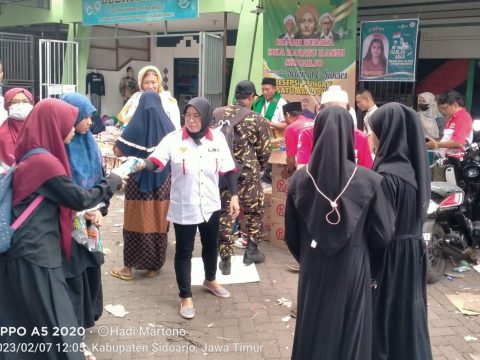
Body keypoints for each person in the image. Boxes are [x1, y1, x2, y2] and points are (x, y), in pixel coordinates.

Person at [0, 98, 125, 360]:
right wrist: (111, 182)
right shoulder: (45, 163)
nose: (75, 127)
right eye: (69, 122)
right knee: (59, 323)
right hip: (36, 253)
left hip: (27, 250)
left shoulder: (31, 154)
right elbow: (79, 198)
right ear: (54, 124)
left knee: (26, 322)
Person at [285, 106, 394, 359]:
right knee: (351, 329)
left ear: (318, 132)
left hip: (313, 266)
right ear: (349, 134)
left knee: (313, 324)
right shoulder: (369, 180)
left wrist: (309, 256)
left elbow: (291, 234)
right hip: (353, 265)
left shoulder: (299, 180)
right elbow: (383, 233)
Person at [134, 97, 240, 319]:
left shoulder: (217, 139)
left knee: (211, 244)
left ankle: (210, 279)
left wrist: (234, 196)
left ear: (207, 118)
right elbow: (157, 161)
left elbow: (229, 170)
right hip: (185, 206)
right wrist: (143, 164)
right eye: (187, 116)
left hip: (210, 204)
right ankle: (185, 295)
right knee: (184, 251)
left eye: (196, 116)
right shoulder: (173, 140)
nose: (190, 121)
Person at [368, 103, 432, 360]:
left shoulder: (386, 175)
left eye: (373, 130)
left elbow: (380, 230)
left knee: (387, 314)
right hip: (412, 251)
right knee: (409, 313)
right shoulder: (415, 168)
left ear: (388, 133)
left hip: (392, 255)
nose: (370, 136)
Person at [111, 92, 176, 281]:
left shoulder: (136, 123)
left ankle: (128, 268)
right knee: (158, 221)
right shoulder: (169, 126)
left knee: (135, 220)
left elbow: (117, 150)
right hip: (162, 181)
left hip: (137, 182)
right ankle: (153, 266)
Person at [211, 80, 271, 274]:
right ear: (252, 97)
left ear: (235, 96)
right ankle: (251, 251)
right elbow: (264, 151)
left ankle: (225, 256)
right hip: (247, 173)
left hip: (222, 173)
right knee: (254, 211)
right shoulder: (256, 119)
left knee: (225, 212)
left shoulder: (217, 114)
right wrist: (258, 167)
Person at [60, 93, 107, 334]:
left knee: (92, 266)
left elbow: (100, 177)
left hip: (91, 219)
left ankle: (89, 316)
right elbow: (64, 188)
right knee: (75, 271)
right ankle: (75, 323)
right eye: (85, 117)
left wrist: (99, 209)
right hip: (70, 221)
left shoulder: (89, 141)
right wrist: (83, 209)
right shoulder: (62, 145)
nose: (90, 122)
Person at [297, 85, 373, 169]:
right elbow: (301, 168)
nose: (335, 114)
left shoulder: (360, 137)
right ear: (320, 111)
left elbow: (367, 170)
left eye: (340, 110)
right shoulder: (308, 134)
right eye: (330, 109)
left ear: (348, 111)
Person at [427, 90, 473, 180]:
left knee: (440, 190)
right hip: (444, 160)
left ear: (455, 105)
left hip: (454, 162)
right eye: (441, 108)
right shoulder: (452, 118)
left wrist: (436, 144)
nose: (443, 111)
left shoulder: (462, 117)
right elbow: (448, 139)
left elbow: (458, 142)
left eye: (445, 108)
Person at [117, 65, 181, 129]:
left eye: (153, 82)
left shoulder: (168, 101)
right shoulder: (135, 99)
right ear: (141, 84)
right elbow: (125, 124)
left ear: (159, 82)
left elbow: (175, 128)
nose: (150, 86)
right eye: (146, 83)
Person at [0, 87, 34, 166]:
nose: (21, 105)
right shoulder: (1, 134)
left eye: (25, 101)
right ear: (8, 105)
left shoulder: (40, 130)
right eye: (16, 102)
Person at [283, 101, 314, 175]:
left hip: (305, 171)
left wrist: (289, 171)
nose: (285, 121)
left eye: (284, 118)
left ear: (287, 114)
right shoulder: (313, 122)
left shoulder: (291, 128)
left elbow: (291, 158)